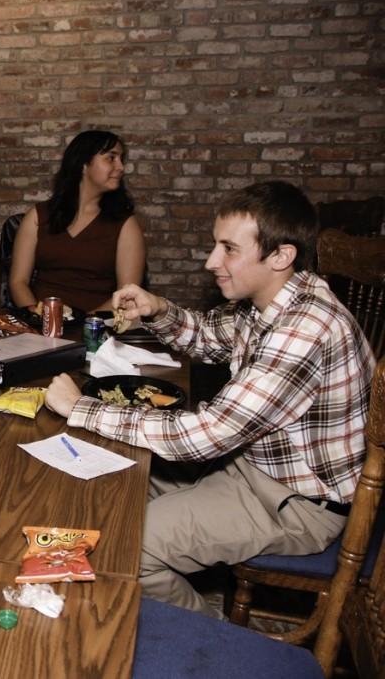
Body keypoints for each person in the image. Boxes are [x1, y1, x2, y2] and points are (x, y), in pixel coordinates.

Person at [45, 181, 375, 617]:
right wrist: (158, 308)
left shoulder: (304, 330)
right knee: (114, 482)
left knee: (128, 547)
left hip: (297, 505)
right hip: (249, 469)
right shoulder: (271, 301)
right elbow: (207, 338)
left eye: (228, 249)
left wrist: (80, 408)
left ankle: (211, 636)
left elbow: (203, 436)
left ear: (280, 256)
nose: (210, 262)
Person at [9, 130, 146, 313]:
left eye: (122, 159)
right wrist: (36, 314)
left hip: (95, 328)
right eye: (111, 158)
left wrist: (80, 324)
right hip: (40, 325)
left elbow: (126, 296)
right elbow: (18, 281)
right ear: (83, 164)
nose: (120, 167)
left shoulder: (125, 225)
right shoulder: (37, 216)